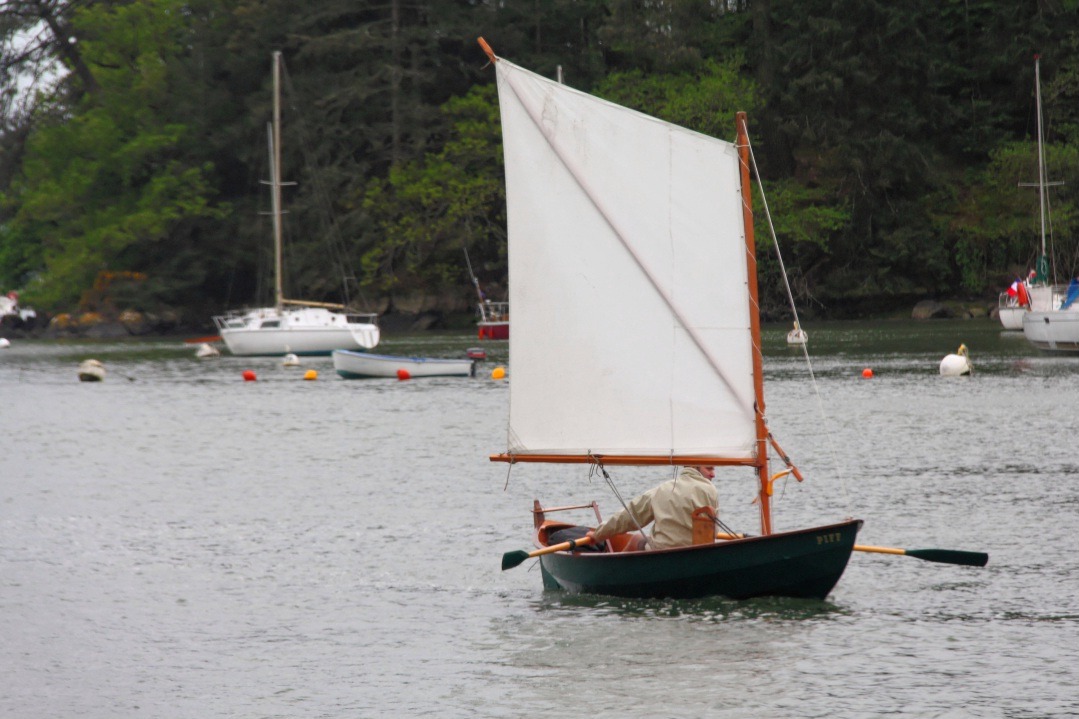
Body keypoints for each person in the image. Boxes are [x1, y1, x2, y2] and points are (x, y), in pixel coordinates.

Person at [586, 466, 718, 551]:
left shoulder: (661, 490)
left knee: (636, 539)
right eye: (709, 469)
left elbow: (629, 517)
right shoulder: (711, 490)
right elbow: (714, 532)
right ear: (694, 466)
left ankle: (613, 575)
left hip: (663, 555)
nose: (713, 474)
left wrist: (598, 534)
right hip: (697, 555)